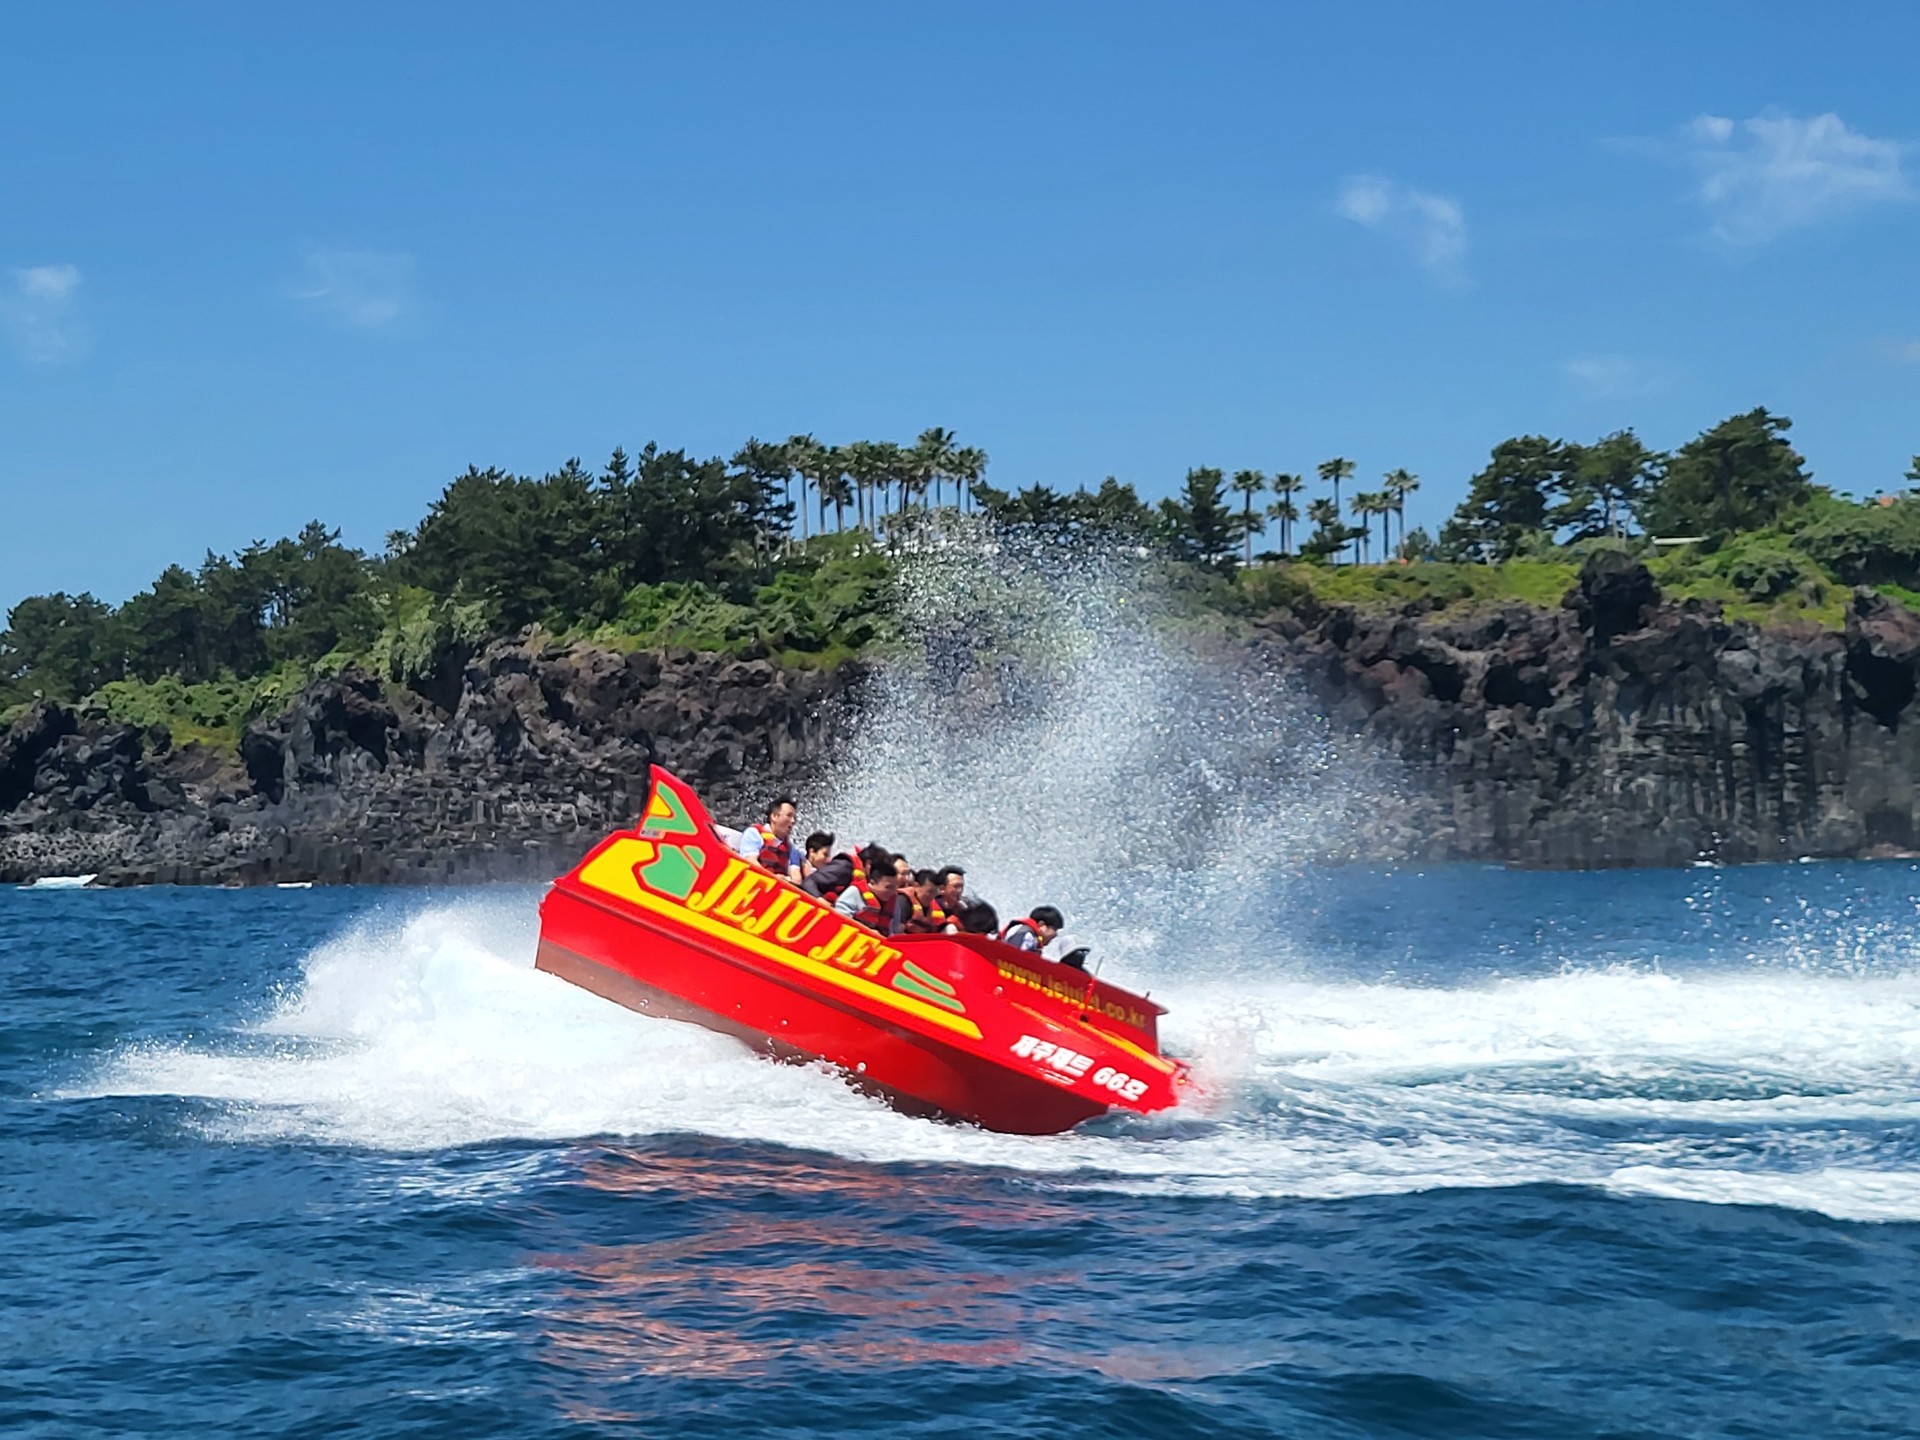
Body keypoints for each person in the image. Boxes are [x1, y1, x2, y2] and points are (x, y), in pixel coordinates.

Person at [733, 797, 801, 881]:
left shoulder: (791, 849)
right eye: (789, 815)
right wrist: (774, 878)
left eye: (794, 818)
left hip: (780, 886)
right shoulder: (754, 833)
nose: (793, 821)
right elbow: (750, 862)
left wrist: (786, 880)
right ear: (774, 816)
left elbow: (797, 879)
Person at [833, 850, 900, 933]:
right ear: (872, 882)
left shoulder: (894, 902)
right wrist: (868, 931)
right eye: (888, 887)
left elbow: (893, 931)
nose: (893, 892)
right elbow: (840, 916)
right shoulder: (855, 892)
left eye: (894, 887)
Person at [803, 841, 887, 904]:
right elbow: (809, 882)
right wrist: (819, 899)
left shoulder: (868, 883)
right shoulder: (844, 867)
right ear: (869, 865)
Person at [894, 869, 943, 934]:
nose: (932, 896)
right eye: (930, 892)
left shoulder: (935, 905)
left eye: (935, 893)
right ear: (916, 886)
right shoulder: (903, 900)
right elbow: (896, 931)